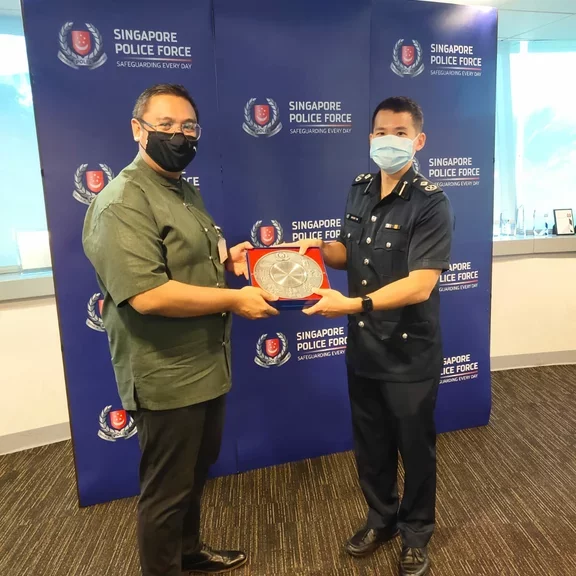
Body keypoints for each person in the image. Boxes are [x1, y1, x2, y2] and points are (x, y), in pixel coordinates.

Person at [82, 83, 278, 576]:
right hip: (165, 373)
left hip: (207, 364)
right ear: (137, 130)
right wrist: (235, 298)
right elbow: (149, 294)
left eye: (188, 126)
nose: (179, 135)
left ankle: (188, 554)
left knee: (194, 474)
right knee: (166, 491)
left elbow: (189, 259)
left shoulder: (181, 188)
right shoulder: (122, 201)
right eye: (165, 125)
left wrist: (231, 259)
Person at [294, 96, 453, 576]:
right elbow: (349, 253)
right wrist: (319, 250)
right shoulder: (360, 188)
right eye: (382, 132)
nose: (390, 140)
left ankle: (416, 532)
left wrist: (353, 304)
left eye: (401, 133)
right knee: (372, 444)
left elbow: (420, 283)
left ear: (419, 140)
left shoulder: (431, 202)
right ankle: (381, 519)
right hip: (364, 347)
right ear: (370, 139)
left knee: (415, 448)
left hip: (409, 352)